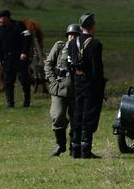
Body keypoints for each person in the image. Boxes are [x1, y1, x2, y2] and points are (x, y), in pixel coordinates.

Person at [67, 13, 106, 159]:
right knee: (88, 117)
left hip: (77, 82)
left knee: (77, 115)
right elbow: (97, 69)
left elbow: (71, 65)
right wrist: (100, 85)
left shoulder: (72, 43)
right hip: (90, 84)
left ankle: (74, 149)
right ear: (92, 26)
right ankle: (85, 150)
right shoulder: (95, 44)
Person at [44, 24, 79, 156]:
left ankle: (73, 147)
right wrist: (53, 81)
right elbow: (48, 65)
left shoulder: (82, 50)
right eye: (70, 35)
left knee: (75, 119)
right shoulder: (59, 47)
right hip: (59, 88)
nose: (72, 37)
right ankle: (60, 144)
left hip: (76, 90)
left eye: (75, 35)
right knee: (57, 116)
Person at [0, 9, 32, 109]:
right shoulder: (0, 29)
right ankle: (10, 103)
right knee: (8, 82)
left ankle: (27, 101)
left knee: (24, 80)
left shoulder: (19, 25)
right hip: (7, 59)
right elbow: (0, 45)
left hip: (20, 58)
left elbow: (27, 39)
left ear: (6, 17)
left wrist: (24, 52)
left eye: (0, 18)